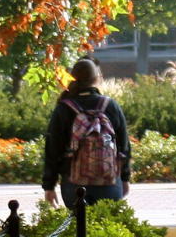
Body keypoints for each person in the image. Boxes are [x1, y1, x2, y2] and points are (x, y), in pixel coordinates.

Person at [42, 58, 131, 207]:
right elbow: (124, 146)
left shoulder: (63, 108)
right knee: (105, 227)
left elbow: (53, 150)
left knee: (79, 226)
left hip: (73, 182)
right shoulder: (110, 106)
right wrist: (125, 178)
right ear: (96, 78)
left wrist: (49, 186)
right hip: (109, 181)